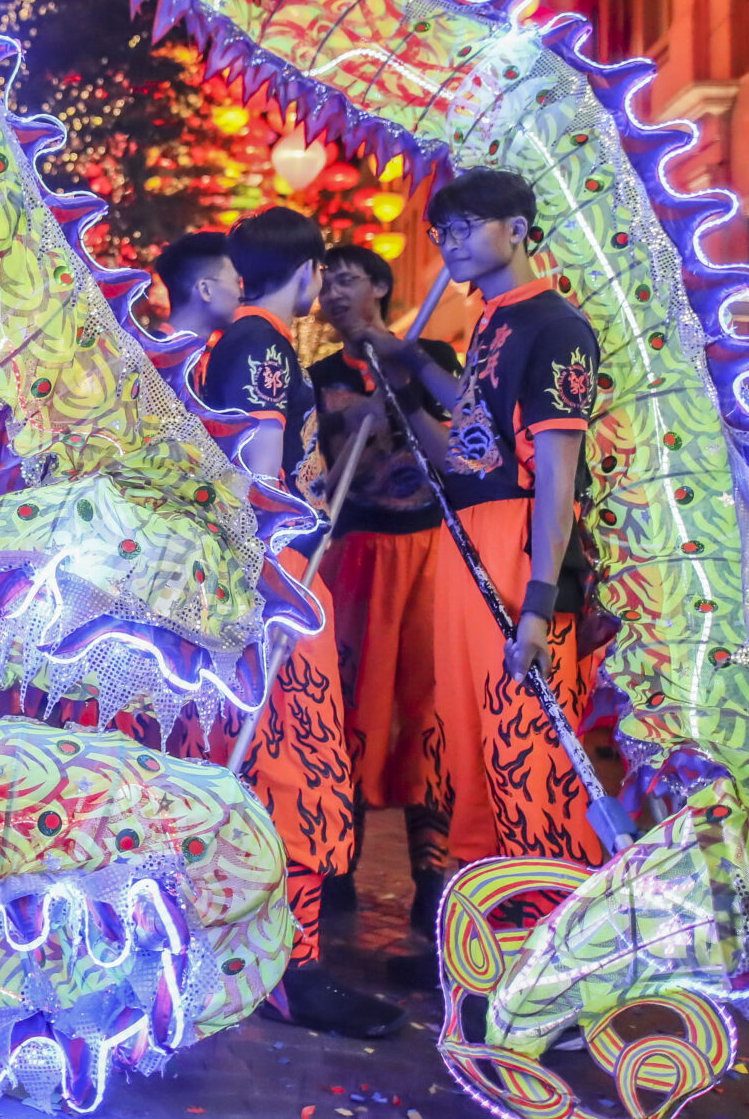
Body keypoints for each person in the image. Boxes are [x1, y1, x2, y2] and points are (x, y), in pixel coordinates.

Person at [193, 208, 400, 1039]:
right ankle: (289, 963)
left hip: (275, 583)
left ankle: (270, 951)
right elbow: (260, 475)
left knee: (283, 769)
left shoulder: (239, 342)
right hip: (281, 584)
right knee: (300, 772)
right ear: (309, 273)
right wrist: (275, 590)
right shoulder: (262, 346)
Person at [361, 168, 601, 877]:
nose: (450, 243)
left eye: (467, 227)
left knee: (528, 748)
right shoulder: (494, 320)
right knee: (468, 746)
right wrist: (410, 366)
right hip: (467, 541)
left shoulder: (556, 326)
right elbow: (478, 423)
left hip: (517, 547)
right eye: (444, 231)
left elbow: (557, 475)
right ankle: (488, 944)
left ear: (519, 230)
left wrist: (537, 603)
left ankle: (547, 933)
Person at [309, 242, 460, 927]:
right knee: (350, 707)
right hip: (358, 547)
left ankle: (434, 873)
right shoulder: (318, 375)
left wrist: (398, 376)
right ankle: (339, 861)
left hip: (430, 547)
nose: (335, 292)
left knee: (428, 707)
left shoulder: (430, 358)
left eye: (347, 279)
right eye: (327, 282)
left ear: (379, 285)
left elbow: (455, 448)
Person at [151, 231, 240, 343]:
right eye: (237, 282)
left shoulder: (193, 355)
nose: (243, 294)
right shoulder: (151, 356)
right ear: (206, 290)